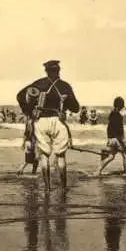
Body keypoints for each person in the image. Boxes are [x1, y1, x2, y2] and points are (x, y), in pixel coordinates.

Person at [16, 59, 80, 191]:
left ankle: (47, 187)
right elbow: (76, 108)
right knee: (61, 157)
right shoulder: (65, 86)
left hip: (41, 121)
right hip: (59, 122)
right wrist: (66, 101)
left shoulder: (39, 84)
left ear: (46, 71)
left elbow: (20, 96)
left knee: (44, 156)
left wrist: (29, 111)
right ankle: (63, 187)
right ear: (58, 71)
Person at [97, 97, 126, 176]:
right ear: (121, 106)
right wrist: (124, 141)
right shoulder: (118, 116)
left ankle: (98, 171)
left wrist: (109, 139)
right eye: (123, 106)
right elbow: (118, 131)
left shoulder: (112, 114)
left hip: (111, 139)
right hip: (117, 140)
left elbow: (109, 128)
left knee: (111, 156)